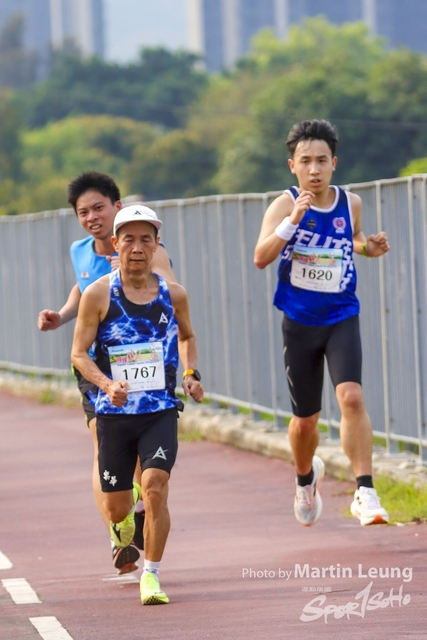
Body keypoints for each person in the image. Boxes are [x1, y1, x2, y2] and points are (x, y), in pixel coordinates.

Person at [37, 171, 176, 573]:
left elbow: (171, 291)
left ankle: (141, 510)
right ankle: (119, 534)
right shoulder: (80, 250)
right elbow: (82, 290)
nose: (91, 217)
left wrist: (135, 276)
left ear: (117, 208)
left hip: (141, 364)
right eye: (83, 212)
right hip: (96, 366)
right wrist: (61, 316)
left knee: (144, 463)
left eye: (98, 208)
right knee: (103, 443)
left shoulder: (146, 249)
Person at [254, 119, 389, 527]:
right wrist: (292, 220)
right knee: (305, 422)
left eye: (322, 161)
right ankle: (304, 479)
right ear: (292, 165)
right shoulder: (283, 204)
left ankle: (365, 491)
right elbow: (261, 257)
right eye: (306, 161)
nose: (314, 170)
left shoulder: (351, 202)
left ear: (334, 163)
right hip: (299, 321)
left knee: (351, 397)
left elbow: (354, 239)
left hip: (342, 314)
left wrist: (369, 247)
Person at [71, 204, 203, 605]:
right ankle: (122, 518)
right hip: (114, 414)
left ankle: (152, 575)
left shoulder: (173, 294)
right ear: (115, 244)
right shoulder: (98, 294)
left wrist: (190, 374)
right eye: (129, 239)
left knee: (156, 486)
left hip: (159, 410)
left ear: (157, 245)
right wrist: (106, 384)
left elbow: (187, 337)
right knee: (117, 509)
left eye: (147, 239)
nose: (138, 247)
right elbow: (78, 353)